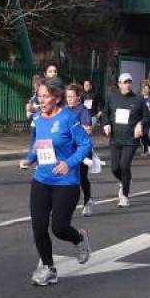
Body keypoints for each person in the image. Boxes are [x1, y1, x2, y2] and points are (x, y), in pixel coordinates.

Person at [20, 78, 92, 286]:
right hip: (41, 179)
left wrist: (69, 163)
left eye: (45, 96)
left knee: (59, 227)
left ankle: (79, 238)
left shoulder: (69, 118)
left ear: (57, 97)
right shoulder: (39, 119)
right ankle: (49, 267)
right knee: (38, 227)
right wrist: (29, 158)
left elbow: (85, 144)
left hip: (66, 182)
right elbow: (38, 145)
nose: (41, 100)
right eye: (39, 96)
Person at [101, 73, 149, 208]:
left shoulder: (138, 99)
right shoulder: (112, 97)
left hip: (131, 139)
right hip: (115, 138)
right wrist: (106, 124)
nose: (127, 84)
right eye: (125, 82)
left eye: (129, 82)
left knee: (124, 166)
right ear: (119, 84)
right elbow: (105, 113)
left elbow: (147, 116)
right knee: (115, 168)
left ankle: (125, 195)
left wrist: (140, 124)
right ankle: (124, 180)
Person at [66, 83, 94, 217]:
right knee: (68, 177)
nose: (69, 99)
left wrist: (78, 129)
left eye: (72, 96)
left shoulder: (83, 110)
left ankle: (88, 201)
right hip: (68, 150)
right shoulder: (64, 110)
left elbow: (88, 129)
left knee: (81, 177)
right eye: (67, 96)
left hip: (82, 150)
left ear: (78, 97)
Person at [140, 83, 150, 156]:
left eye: (147, 88)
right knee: (142, 134)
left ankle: (145, 150)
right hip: (142, 119)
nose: (145, 90)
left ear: (149, 90)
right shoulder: (140, 98)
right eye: (144, 88)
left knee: (146, 134)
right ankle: (149, 146)